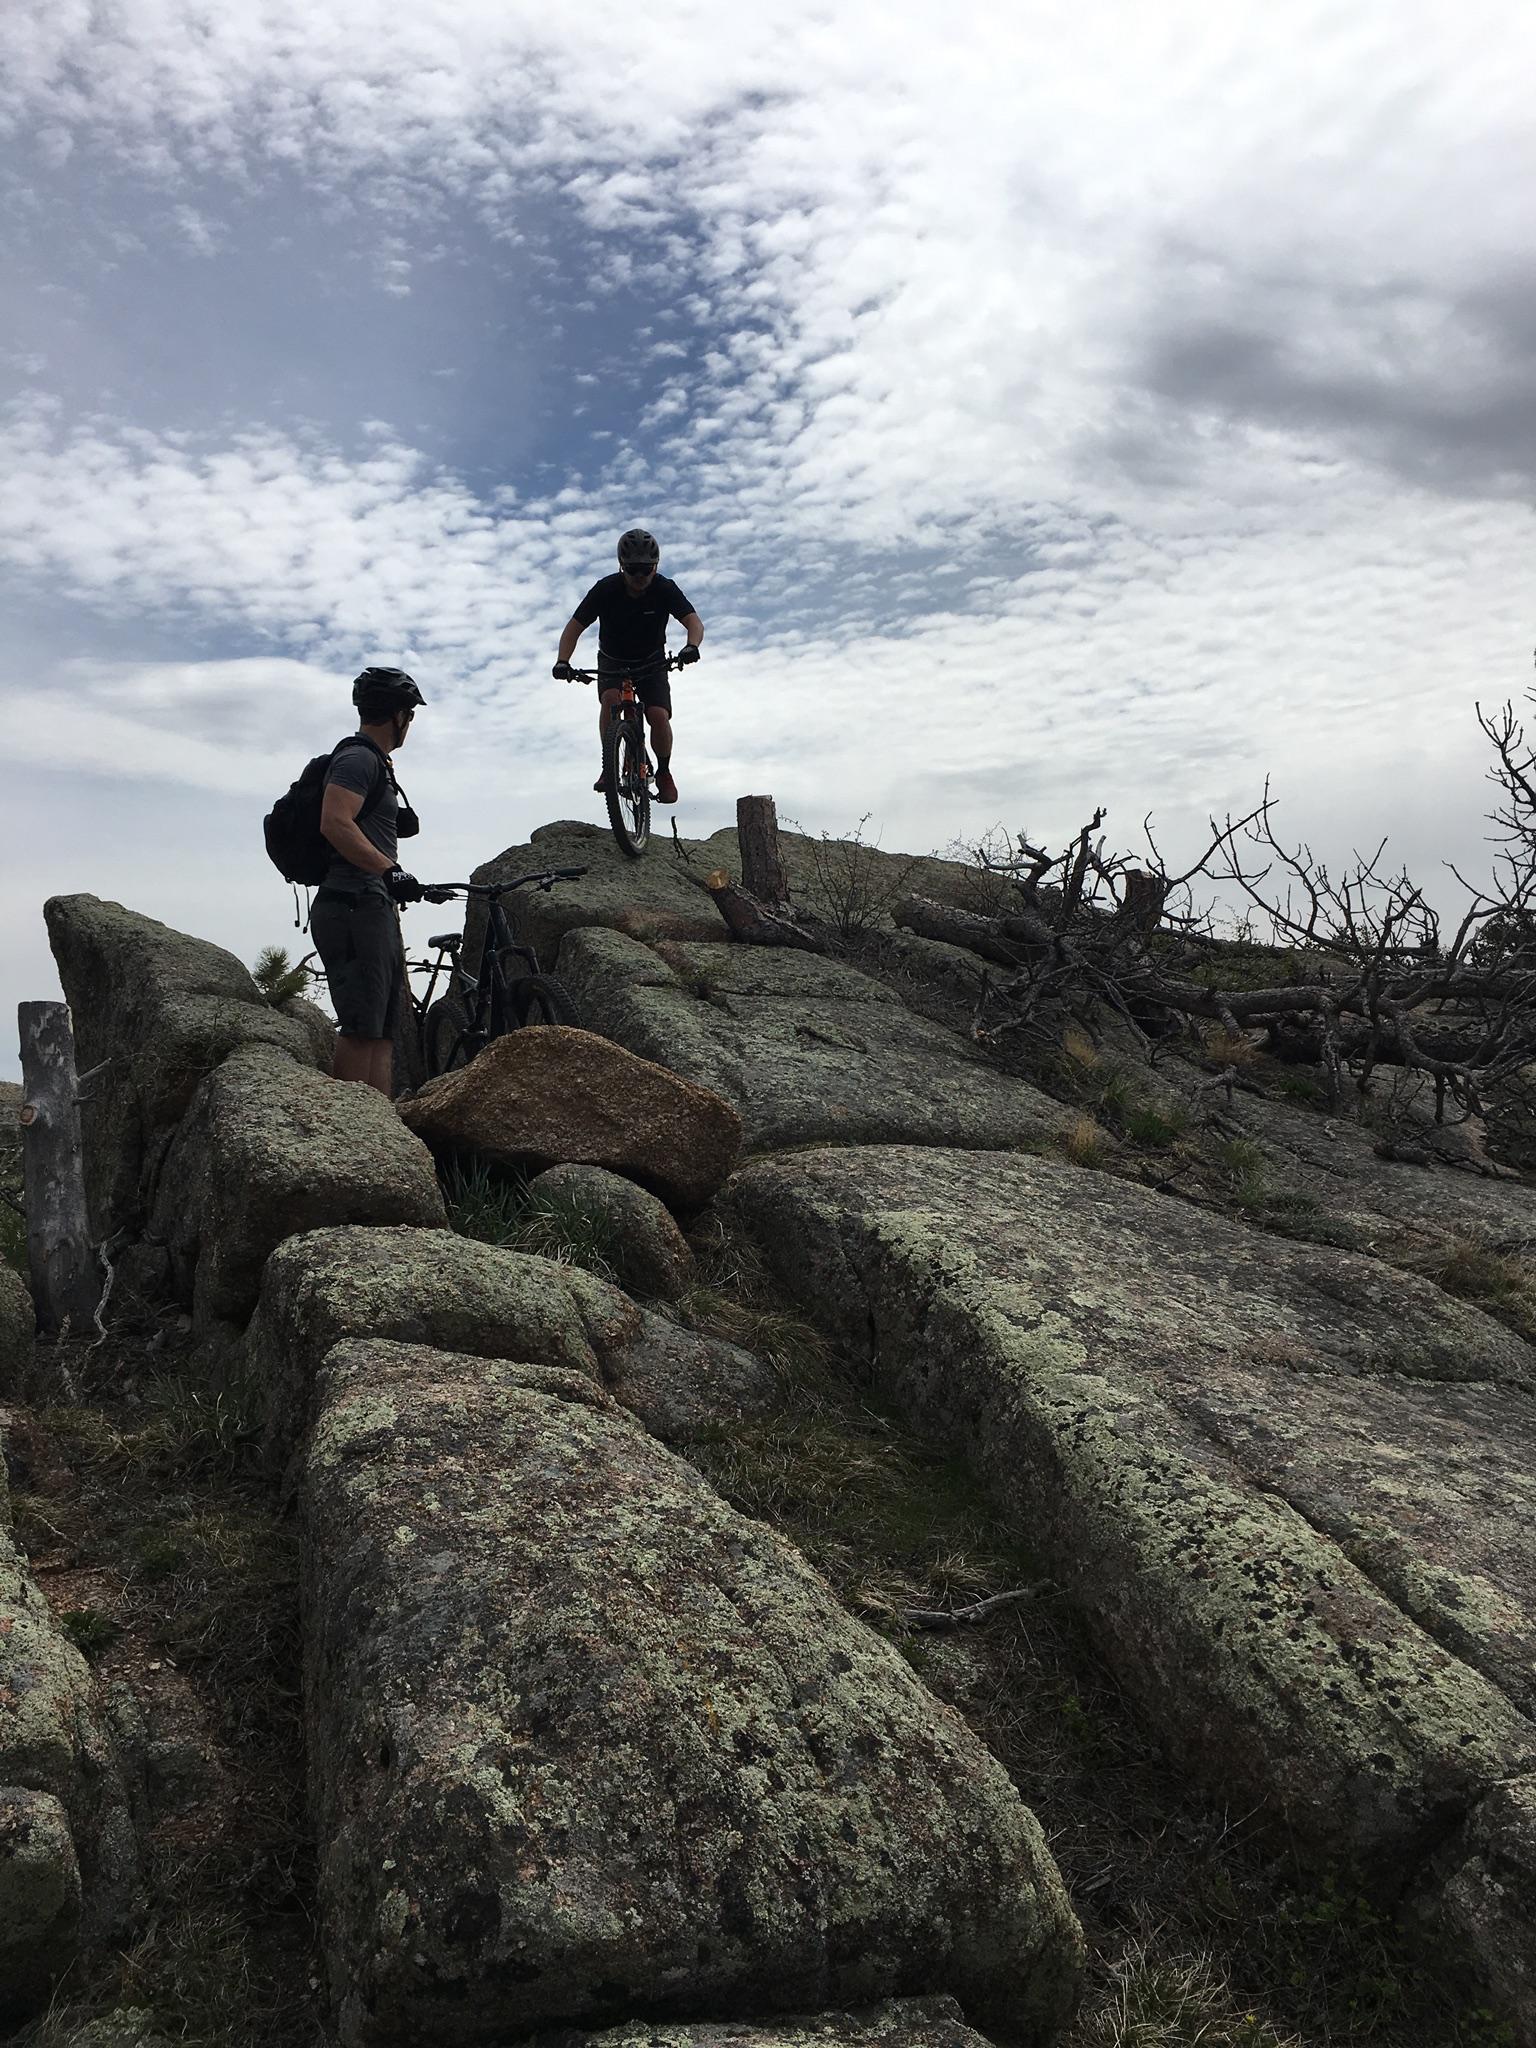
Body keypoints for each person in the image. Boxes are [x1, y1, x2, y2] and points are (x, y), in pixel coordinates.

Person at [310, 666, 442, 1095]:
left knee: (382, 1028)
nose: (411, 725)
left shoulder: (376, 763)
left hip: (371, 904)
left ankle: (380, 1130)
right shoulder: (357, 758)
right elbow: (334, 822)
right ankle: (348, 1138)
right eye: (411, 715)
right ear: (398, 715)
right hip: (350, 902)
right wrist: (390, 869)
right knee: (361, 1026)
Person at [552, 528, 703, 804]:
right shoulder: (605, 590)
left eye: (646, 570)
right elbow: (573, 628)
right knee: (610, 699)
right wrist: (563, 661)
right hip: (613, 659)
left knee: (658, 715)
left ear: (655, 567)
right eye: (632, 570)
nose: (639, 577)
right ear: (622, 567)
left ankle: (665, 772)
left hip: (651, 659)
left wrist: (691, 646)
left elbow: (693, 622)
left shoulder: (664, 589)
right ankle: (608, 765)